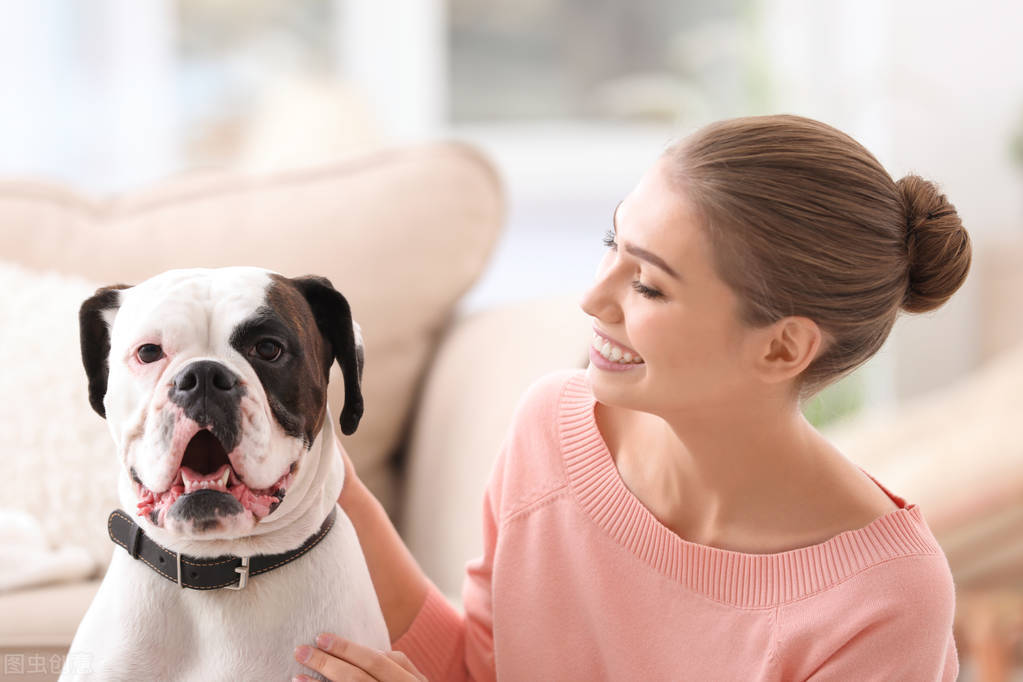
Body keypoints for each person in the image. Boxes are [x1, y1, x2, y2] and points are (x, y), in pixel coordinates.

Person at [292, 114, 970, 681]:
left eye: (647, 285)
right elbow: (481, 667)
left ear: (781, 348)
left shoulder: (882, 601)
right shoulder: (551, 429)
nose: (591, 297)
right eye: (612, 242)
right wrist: (335, 486)